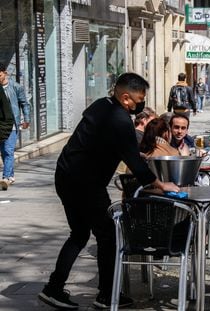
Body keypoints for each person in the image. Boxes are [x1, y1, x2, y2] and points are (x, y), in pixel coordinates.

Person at [38, 73, 179, 310]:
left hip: (66, 176)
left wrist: (135, 155)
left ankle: (54, 287)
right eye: (139, 99)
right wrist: (162, 185)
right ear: (126, 98)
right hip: (86, 184)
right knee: (108, 236)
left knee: (79, 234)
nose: (141, 104)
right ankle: (106, 295)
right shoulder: (120, 120)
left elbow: (109, 144)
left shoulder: (101, 106)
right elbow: (135, 166)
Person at [0, 63, 31, 191]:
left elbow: (24, 103)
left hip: (12, 124)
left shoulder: (16, 87)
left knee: (8, 150)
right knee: (3, 151)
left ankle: (6, 178)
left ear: (5, 73)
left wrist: (27, 119)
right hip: (1, 124)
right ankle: (11, 176)